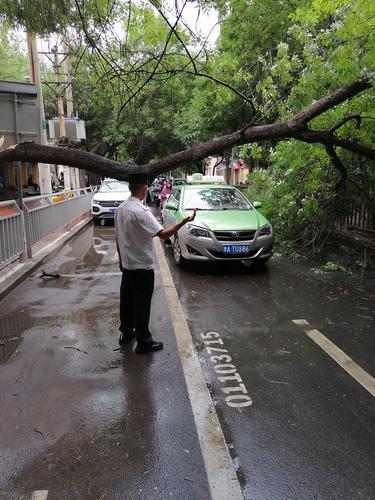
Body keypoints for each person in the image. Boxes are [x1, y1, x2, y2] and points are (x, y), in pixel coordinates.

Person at [115, 173, 196, 353]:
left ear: (130, 188)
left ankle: (126, 333)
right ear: (145, 188)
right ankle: (144, 341)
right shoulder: (141, 212)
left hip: (127, 267)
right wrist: (183, 222)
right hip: (142, 268)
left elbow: (117, 238)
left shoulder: (121, 209)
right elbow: (164, 234)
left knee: (127, 302)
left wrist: (121, 261)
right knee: (142, 305)